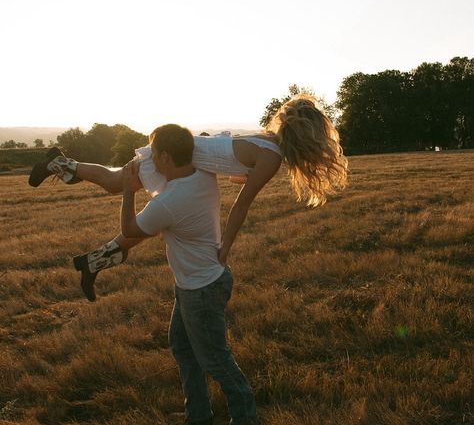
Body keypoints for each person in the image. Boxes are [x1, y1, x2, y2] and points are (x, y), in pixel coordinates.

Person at [29, 94, 348, 296]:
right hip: (174, 156)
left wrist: (241, 177)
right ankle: (59, 163)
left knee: (146, 212)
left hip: (183, 155)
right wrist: (225, 248)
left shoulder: (264, 141)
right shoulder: (271, 157)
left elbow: (231, 165)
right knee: (116, 183)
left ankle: (96, 260)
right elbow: (241, 207)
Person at [118, 123, 257, 425]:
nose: (151, 161)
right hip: (197, 282)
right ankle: (198, 414)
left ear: (165, 156)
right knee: (183, 346)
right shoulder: (202, 174)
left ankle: (245, 420)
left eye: (154, 156)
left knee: (214, 358)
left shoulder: (168, 203)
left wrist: (128, 189)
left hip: (201, 288)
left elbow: (128, 230)